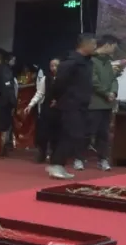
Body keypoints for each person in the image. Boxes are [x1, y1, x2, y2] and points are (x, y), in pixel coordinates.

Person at [47, 34, 97, 179]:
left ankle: (59, 164)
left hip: (82, 105)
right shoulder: (70, 62)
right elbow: (59, 83)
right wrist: (57, 98)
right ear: (84, 45)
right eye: (93, 44)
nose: (95, 47)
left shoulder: (87, 63)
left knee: (75, 135)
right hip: (70, 104)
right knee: (72, 134)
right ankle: (56, 164)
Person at [85, 34, 120, 171]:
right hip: (94, 103)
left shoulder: (108, 63)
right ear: (107, 45)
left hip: (107, 104)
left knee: (103, 134)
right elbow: (93, 81)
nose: (114, 50)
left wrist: (113, 92)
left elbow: (113, 80)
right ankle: (79, 157)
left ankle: (103, 159)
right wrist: (106, 93)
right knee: (88, 132)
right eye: (114, 47)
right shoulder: (91, 61)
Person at [25, 57, 60, 163]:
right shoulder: (45, 78)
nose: (54, 68)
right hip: (47, 109)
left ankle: (55, 155)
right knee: (43, 133)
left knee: (57, 134)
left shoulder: (65, 79)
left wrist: (58, 101)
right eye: (52, 66)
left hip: (60, 110)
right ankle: (42, 153)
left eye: (56, 66)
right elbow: (39, 93)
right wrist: (30, 105)